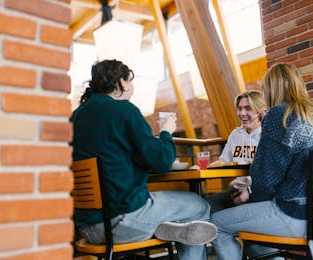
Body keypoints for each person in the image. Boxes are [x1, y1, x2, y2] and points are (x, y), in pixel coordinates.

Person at [70, 59, 217, 260]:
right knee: (200, 206)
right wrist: (166, 132)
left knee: (175, 215)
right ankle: (164, 227)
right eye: (130, 80)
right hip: (123, 221)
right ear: (122, 82)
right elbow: (162, 161)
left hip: (86, 228)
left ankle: (166, 227)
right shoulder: (124, 110)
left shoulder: (74, 118)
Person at [211, 63, 313, 260]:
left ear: (270, 89)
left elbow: (265, 179)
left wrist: (249, 197)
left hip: (299, 218)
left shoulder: (279, 115)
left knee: (215, 224)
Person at [207, 90, 267, 212]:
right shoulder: (235, 134)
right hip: (237, 192)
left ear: (260, 111)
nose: (242, 113)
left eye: (248, 108)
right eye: (239, 109)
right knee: (207, 205)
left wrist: (250, 191)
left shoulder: (268, 135)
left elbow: (270, 173)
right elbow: (223, 162)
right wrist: (202, 168)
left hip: (260, 193)